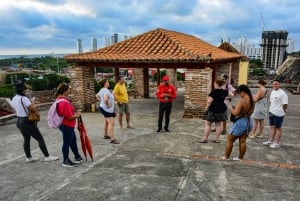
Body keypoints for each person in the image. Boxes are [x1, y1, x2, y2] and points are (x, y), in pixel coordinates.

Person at [11, 82, 58, 163]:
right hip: (26, 121)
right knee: (39, 138)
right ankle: (47, 156)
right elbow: (33, 109)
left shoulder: (14, 98)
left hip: (19, 121)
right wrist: (32, 102)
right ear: (22, 90)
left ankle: (28, 157)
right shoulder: (24, 98)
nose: (26, 91)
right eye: (25, 89)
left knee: (26, 139)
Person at [223, 84, 254, 160]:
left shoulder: (242, 100)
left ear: (243, 91)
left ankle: (226, 157)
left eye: (239, 93)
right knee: (243, 141)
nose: (239, 95)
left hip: (241, 122)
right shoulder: (251, 99)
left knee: (229, 139)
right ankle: (240, 158)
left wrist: (230, 107)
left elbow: (235, 113)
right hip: (249, 121)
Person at [55, 83, 83, 167]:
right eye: (68, 89)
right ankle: (65, 160)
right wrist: (77, 115)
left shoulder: (60, 99)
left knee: (72, 140)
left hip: (66, 125)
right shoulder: (64, 102)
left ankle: (77, 156)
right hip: (66, 125)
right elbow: (69, 117)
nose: (69, 90)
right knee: (67, 142)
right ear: (65, 91)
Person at [198, 79, 228, 143]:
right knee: (218, 124)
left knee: (208, 124)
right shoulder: (224, 91)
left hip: (213, 110)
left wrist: (206, 108)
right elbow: (227, 97)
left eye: (214, 83)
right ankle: (217, 139)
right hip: (222, 109)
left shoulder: (213, 92)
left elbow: (209, 101)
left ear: (216, 84)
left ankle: (205, 138)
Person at [263, 79, 288, 148]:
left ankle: (277, 143)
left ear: (279, 85)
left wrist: (284, 110)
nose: (274, 85)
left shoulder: (283, 93)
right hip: (271, 112)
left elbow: (285, 104)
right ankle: (270, 141)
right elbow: (271, 102)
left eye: (276, 84)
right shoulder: (273, 91)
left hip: (278, 113)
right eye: (273, 84)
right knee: (272, 127)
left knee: (278, 128)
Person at [96, 79, 120, 144]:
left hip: (103, 108)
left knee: (107, 122)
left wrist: (102, 101)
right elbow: (106, 99)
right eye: (108, 82)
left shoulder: (102, 90)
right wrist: (107, 104)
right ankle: (112, 139)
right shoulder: (106, 90)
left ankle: (106, 135)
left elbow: (97, 96)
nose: (108, 83)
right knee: (111, 123)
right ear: (105, 83)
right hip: (107, 109)